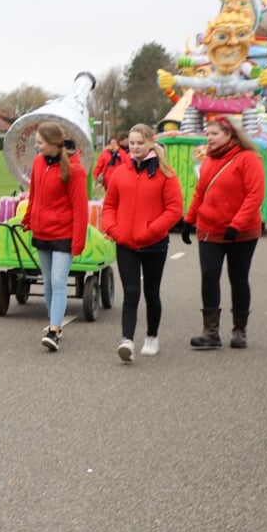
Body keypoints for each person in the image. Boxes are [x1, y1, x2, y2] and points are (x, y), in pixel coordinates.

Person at [180, 116, 265, 350]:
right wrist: (189, 220)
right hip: (210, 228)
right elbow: (200, 191)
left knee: (238, 279)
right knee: (209, 275)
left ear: (230, 135)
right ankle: (210, 333)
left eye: (214, 134)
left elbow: (255, 195)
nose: (209, 138)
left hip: (242, 231)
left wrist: (236, 224)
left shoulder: (248, 159)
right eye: (207, 134)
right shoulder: (208, 160)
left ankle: (239, 331)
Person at [100, 124, 183, 362]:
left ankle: (152, 336)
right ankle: (127, 340)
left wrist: (151, 229)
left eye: (140, 143)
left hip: (154, 244)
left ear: (150, 144)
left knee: (151, 292)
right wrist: (113, 229)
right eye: (132, 143)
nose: (135, 147)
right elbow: (109, 206)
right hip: (125, 242)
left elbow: (174, 209)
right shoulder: (120, 173)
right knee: (131, 291)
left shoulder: (165, 174)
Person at [21, 121, 88, 351]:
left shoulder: (75, 170)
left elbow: (80, 208)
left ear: (53, 143)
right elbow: (34, 195)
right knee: (48, 279)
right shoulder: (39, 162)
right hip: (42, 230)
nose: (37, 147)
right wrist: (29, 217)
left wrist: (78, 242)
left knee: (59, 280)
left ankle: (54, 330)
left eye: (40, 142)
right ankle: (54, 322)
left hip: (64, 233)